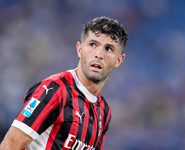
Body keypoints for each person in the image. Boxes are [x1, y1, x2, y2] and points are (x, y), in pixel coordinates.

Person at [0, 16, 128, 150]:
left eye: (108, 49)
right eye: (93, 45)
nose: (99, 54)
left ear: (119, 60)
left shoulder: (104, 112)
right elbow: (10, 144)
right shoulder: (54, 89)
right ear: (79, 49)